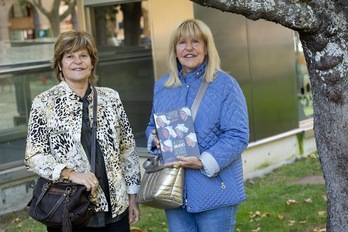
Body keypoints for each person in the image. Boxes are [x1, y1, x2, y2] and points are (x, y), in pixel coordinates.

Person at [25, 30, 141, 232]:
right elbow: (34, 155)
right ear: (60, 64)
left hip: (116, 208)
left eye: (83, 55)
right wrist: (69, 173)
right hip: (71, 209)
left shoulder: (111, 98)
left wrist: (132, 196)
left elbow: (127, 149)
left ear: (92, 61)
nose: (77, 61)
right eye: (69, 56)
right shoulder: (44, 103)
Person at [145, 19, 249, 232]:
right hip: (173, 191)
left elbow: (237, 135)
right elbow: (151, 125)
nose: (189, 48)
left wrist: (203, 161)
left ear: (207, 48)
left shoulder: (225, 85)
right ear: (175, 49)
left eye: (196, 42)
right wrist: (155, 138)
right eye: (182, 42)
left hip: (215, 190)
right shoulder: (163, 87)